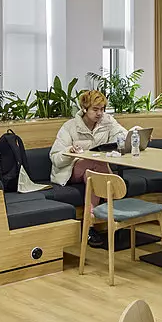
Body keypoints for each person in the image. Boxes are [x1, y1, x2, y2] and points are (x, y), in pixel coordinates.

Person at [51, 89, 128, 247]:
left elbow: (121, 135)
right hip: (69, 172)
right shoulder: (70, 127)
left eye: (102, 109)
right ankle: (113, 217)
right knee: (95, 164)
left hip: (93, 172)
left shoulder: (107, 121)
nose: (100, 113)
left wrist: (133, 134)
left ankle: (90, 226)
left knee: (93, 171)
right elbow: (55, 158)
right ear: (84, 108)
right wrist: (69, 152)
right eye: (95, 109)